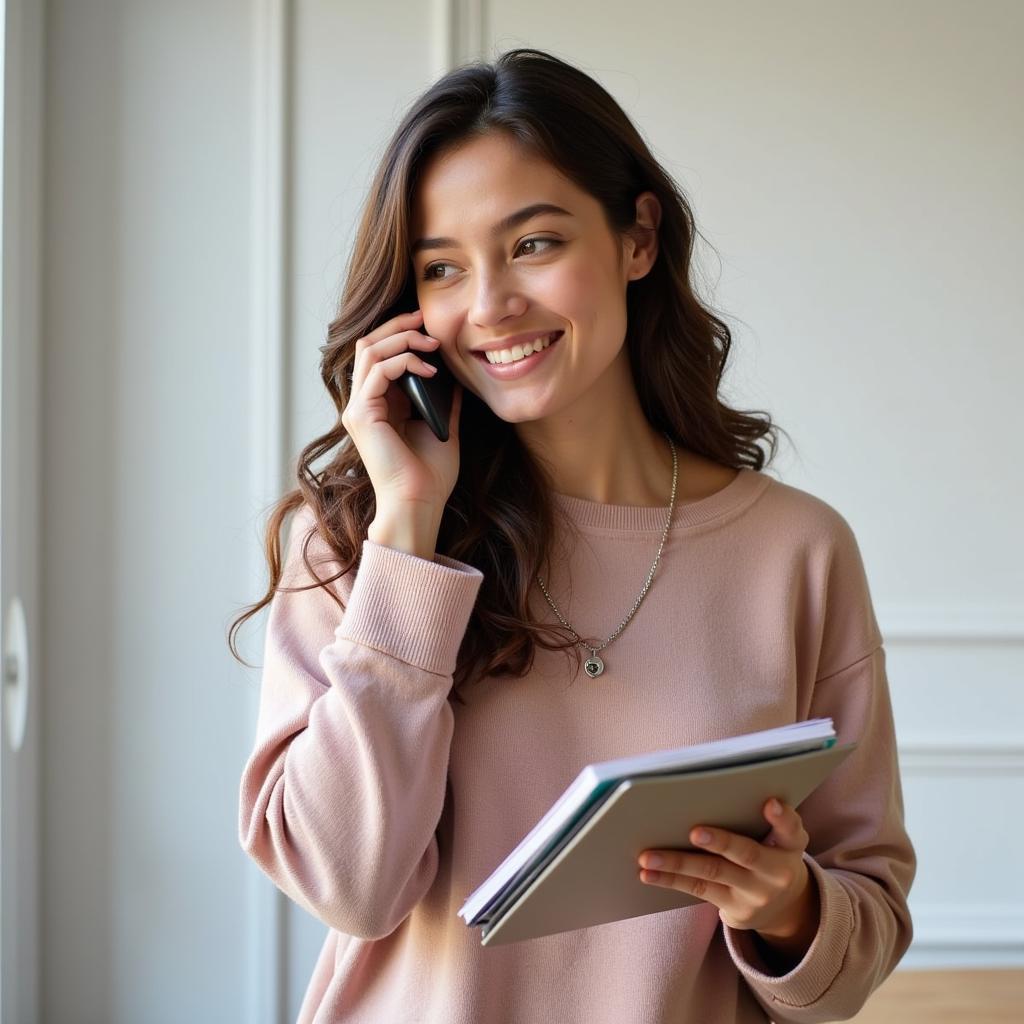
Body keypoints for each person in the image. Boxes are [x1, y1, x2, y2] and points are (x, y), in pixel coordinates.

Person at [231, 47, 915, 1024]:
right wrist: (410, 533)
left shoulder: (796, 553)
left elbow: (859, 938)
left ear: (637, 237)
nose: (490, 304)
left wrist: (789, 905)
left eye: (533, 243)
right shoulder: (355, 539)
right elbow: (350, 885)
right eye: (440, 268)